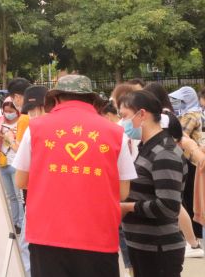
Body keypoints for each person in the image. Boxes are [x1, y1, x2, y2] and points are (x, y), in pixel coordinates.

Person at [13, 75, 137, 277]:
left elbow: (20, 181)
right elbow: (122, 192)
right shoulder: (116, 133)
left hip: (47, 234)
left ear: (56, 98)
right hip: (97, 236)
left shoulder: (35, 129)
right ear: (92, 100)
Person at [120, 90, 187, 277]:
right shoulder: (146, 147)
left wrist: (127, 207)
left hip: (159, 248)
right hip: (143, 245)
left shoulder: (164, 152)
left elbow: (168, 206)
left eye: (125, 116)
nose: (122, 122)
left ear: (142, 114)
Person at [170, 86, 204, 241]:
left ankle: (195, 232)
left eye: (181, 100)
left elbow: (179, 135)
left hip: (191, 160)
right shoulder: (196, 113)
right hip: (195, 159)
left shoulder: (190, 115)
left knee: (190, 197)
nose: (177, 103)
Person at [0, 99, 24, 231]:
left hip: (16, 162)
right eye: (6, 111)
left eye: (11, 111)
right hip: (2, 162)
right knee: (10, 196)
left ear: (17, 111)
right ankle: (14, 222)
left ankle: (21, 223)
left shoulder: (22, 122)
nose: (8, 114)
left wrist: (10, 137)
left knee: (19, 196)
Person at [7, 78, 33, 143]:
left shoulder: (24, 118)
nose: (12, 101)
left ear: (17, 97)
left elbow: (19, 147)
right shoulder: (37, 113)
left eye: (12, 99)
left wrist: (10, 138)